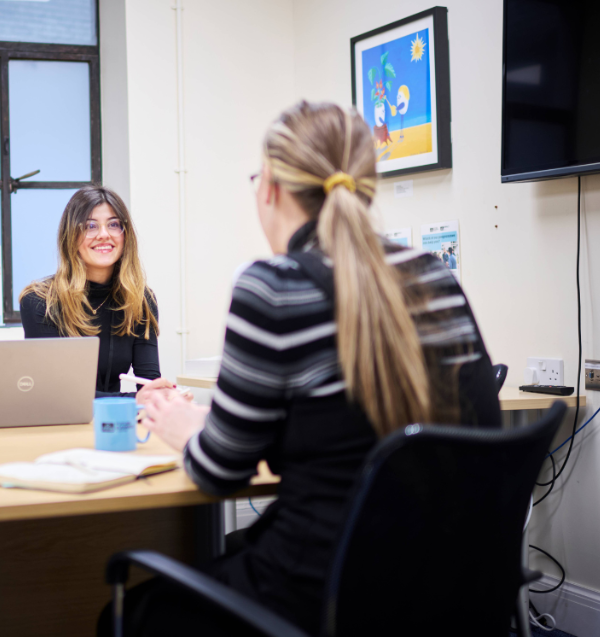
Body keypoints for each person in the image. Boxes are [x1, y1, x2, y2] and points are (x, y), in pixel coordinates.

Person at [106, 102, 501, 636]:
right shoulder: (433, 276)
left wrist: (182, 429)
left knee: (124, 616)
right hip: (442, 588)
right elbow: (355, 428)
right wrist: (217, 425)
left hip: (320, 592)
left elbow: (219, 473)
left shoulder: (274, 287)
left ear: (268, 186)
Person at [20, 186, 160, 396]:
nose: (104, 235)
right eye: (90, 226)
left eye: (114, 224)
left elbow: (149, 385)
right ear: (71, 237)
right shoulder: (40, 301)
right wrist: (137, 398)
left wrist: (163, 396)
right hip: (61, 425)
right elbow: (57, 393)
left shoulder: (140, 299)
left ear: (125, 235)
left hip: (113, 424)